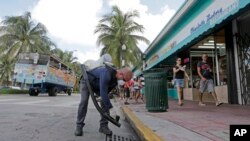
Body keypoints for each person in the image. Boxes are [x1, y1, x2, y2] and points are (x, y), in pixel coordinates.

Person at [75, 66, 133, 136]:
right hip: (86, 81)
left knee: (105, 103)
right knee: (84, 102)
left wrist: (108, 105)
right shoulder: (107, 73)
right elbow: (103, 93)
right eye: (124, 80)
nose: (123, 82)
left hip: (97, 86)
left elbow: (105, 95)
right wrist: (111, 109)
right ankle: (79, 126)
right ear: (120, 74)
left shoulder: (114, 82)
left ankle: (103, 127)